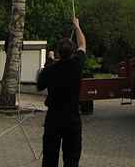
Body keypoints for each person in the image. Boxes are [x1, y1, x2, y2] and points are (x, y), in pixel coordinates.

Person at [37, 18, 87, 167]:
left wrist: (50, 60)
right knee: (72, 158)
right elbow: (83, 44)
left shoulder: (51, 69)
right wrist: (77, 26)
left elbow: (39, 85)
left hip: (53, 118)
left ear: (58, 52)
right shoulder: (77, 64)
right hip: (72, 118)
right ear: (73, 52)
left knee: (50, 157)